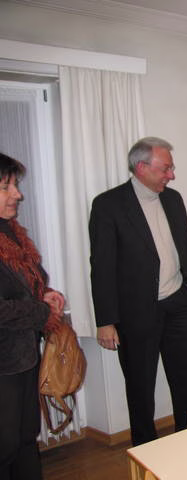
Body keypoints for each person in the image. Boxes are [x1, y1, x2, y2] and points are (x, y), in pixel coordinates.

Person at [89, 137, 187, 446]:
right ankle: (145, 451)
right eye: (165, 168)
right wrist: (106, 320)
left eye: (171, 168)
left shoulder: (173, 199)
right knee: (140, 388)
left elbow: (186, 248)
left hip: (179, 303)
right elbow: (102, 267)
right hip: (137, 312)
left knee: (186, 380)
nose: (171, 175)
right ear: (141, 167)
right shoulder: (109, 205)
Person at [0, 153, 65, 480]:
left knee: (26, 438)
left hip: (23, 355)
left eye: (15, 185)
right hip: (3, 364)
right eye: (6, 187)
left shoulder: (11, 232)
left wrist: (45, 295)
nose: (17, 194)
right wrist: (42, 310)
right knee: (5, 446)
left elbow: (25, 285)